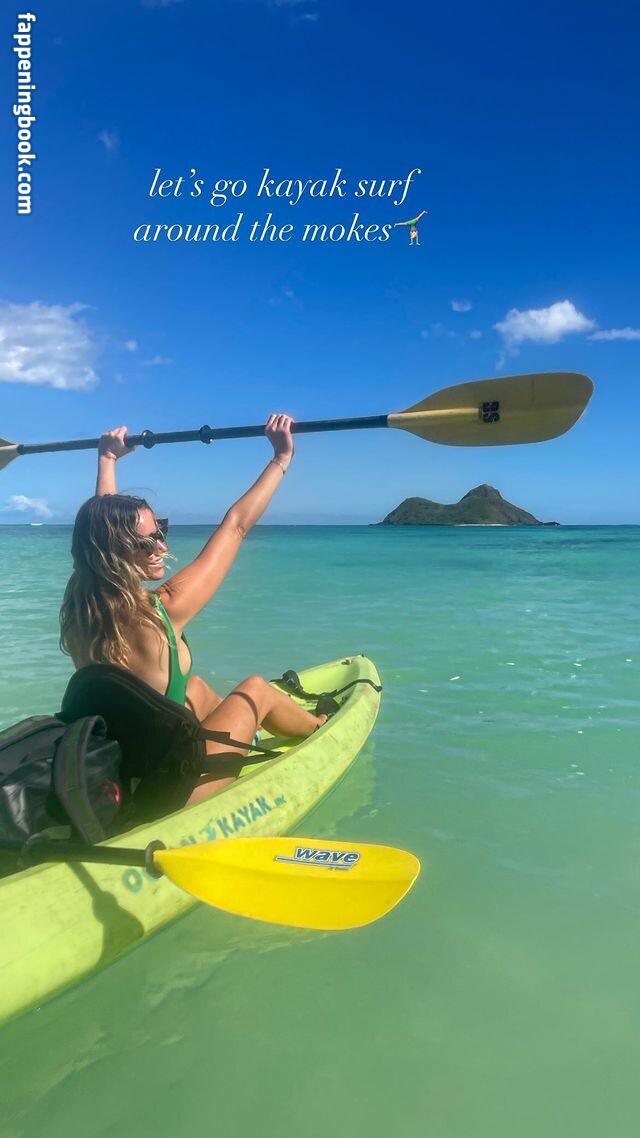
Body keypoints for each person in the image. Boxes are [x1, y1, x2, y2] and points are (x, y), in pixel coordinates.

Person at [59, 414, 328, 804]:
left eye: (161, 531)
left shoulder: (81, 604)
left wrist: (108, 458)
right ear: (117, 551)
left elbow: (98, 526)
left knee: (195, 689)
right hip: (171, 790)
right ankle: (318, 727)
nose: (162, 547)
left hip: (123, 771)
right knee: (257, 689)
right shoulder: (162, 611)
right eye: (147, 542)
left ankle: (246, 735)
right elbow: (235, 526)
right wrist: (281, 458)